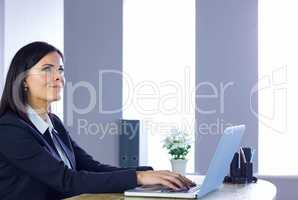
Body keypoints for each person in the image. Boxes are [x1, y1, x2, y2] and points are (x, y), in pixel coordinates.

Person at [0, 41, 195, 200]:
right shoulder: (9, 130)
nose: (58, 77)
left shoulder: (54, 123)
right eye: (47, 69)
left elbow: (92, 167)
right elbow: (67, 180)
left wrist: (150, 173)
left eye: (60, 70)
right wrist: (139, 177)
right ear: (23, 80)